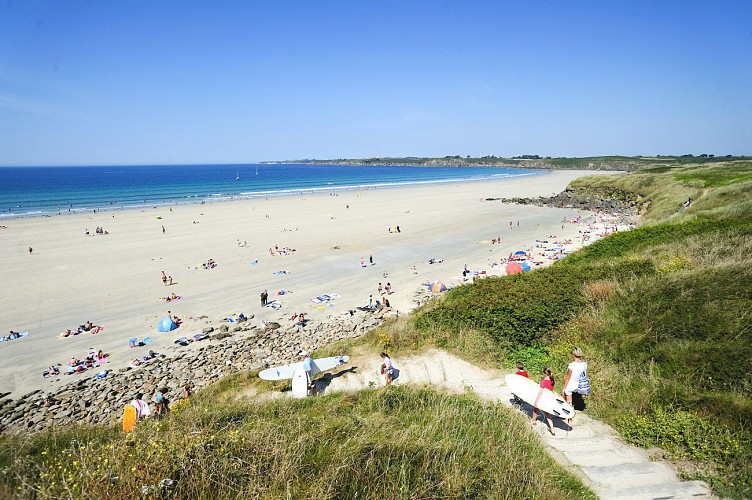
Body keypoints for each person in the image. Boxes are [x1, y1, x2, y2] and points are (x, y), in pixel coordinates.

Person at [561, 347, 587, 423]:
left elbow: (568, 378)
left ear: (573, 354)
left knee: (568, 402)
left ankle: (569, 418)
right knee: (570, 402)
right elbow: (585, 375)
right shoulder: (584, 364)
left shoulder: (571, 365)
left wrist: (563, 388)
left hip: (571, 384)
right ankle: (570, 417)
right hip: (578, 384)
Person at [530, 367, 557, 436]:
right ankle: (552, 429)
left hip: (543, 399)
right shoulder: (552, 380)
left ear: (545, 374)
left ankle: (533, 420)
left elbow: (540, 393)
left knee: (537, 408)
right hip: (549, 399)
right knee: (547, 414)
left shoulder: (543, 382)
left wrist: (536, 401)